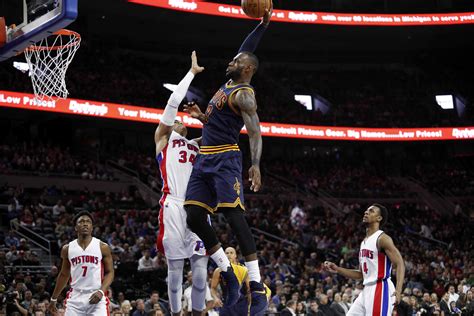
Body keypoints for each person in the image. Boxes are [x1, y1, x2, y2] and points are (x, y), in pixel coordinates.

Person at [183, 4, 273, 315]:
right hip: (204, 160)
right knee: (193, 216)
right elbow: (247, 47)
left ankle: (257, 286)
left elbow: (256, 132)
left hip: (225, 160)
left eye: (237, 61)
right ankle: (230, 274)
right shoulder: (229, 83)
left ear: (248, 69)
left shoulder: (244, 93)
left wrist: (256, 164)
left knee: (234, 218)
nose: (232, 60)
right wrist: (262, 24)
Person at [153, 51, 209, 316]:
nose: (178, 121)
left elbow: (221, 134)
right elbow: (173, 102)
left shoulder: (196, 144)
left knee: (200, 272)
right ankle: (175, 313)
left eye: (181, 121)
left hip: (197, 205)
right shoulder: (163, 139)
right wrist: (191, 73)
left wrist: (201, 118)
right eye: (176, 120)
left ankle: (198, 313)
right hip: (173, 206)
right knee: (175, 272)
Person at [324, 204, 405, 316]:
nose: (366, 212)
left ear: (379, 218)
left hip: (381, 288)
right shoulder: (364, 242)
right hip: (366, 289)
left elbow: (400, 263)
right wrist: (337, 269)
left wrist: (398, 290)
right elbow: (361, 274)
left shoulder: (382, 238)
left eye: (371, 211)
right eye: (366, 210)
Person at [49, 210, 114, 315]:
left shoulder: (102, 247)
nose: (85, 224)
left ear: (92, 227)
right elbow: (64, 274)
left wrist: (101, 291)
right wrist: (53, 299)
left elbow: (110, 272)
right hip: (75, 298)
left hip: (96, 295)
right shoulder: (67, 248)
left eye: (88, 221)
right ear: (75, 227)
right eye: (81, 221)